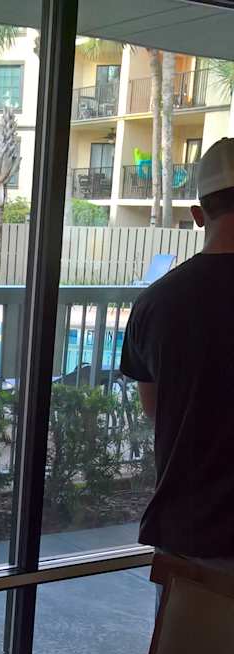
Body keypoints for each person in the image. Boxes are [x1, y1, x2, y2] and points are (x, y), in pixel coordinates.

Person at [120, 138, 234, 581]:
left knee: (187, 631)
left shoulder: (157, 302)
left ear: (199, 215)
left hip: (190, 533)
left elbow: (156, 410)